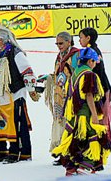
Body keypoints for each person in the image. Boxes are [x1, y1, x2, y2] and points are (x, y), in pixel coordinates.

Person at [0, 21, 40, 164]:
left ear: (2, 39)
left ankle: (17, 152)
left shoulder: (14, 52)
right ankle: (2, 151)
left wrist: (32, 90)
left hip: (14, 95)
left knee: (16, 125)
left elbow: (28, 71)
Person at [51, 47, 111, 176]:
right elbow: (89, 95)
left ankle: (72, 167)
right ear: (90, 61)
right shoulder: (89, 74)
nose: (95, 65)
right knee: (91, 137)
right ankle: (86, 165)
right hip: (85, 115)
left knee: (75, 138)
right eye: (94, 62)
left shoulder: (75, 74)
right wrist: (95, 115)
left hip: (74, 115)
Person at [39, 32, 79, 166]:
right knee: (60, 123)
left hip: (70, 96)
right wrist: (49, 77)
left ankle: (71, 154)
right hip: (59, 96)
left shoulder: (75, 55)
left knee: (70, 124)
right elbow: (58, 74)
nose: (58, 46)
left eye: (61, 43)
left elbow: (77, 75)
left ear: (69, 42)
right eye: (57, 43)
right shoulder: (59, 56)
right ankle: (62, 153)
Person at [78, 27, 111, 144]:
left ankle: (102, 147)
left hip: (100, 90)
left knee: (100, 119)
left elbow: (97, 73)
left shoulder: (91, 53)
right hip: (99, 89)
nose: (79, 40)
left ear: (88, 38)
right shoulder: (92, 50)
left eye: (81, 38)